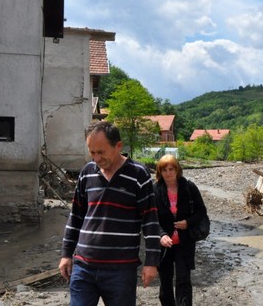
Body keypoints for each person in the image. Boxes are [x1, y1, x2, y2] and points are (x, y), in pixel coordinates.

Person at [58, 121, 162, 306]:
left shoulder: (138, 175)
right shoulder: (87, 173)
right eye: (92, 152)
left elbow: (150, 221)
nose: (96, 158)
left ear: (118, 146)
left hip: (120, 270)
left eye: (101, 152)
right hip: (84, 266)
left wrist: (151, 261)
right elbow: (76, 217)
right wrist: (66, 254)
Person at [153, 154, 208, 306]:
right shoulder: (155, 190)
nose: (168, 173)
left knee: (183, 280)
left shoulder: (189, 187)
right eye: (164, 170)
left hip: (185, 241)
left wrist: (188, 222)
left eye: (171, 169)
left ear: (177, 170)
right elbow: (151, 218)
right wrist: (161, 235)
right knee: (165, 280)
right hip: (165, 244)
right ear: (160, 172)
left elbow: (201, 211)